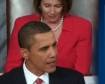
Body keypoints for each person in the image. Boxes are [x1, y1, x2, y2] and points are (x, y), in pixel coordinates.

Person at [5, 0, 92, 75]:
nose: (52, 12)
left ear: (64, 5)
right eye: (47, 6)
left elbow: (81, 72)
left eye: (57, 6)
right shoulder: (22, 23)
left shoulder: (82, 26)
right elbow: (12, 67)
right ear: (39, 4)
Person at [0, 21, 85, 84]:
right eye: (44, 49)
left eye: (54, 45)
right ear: (25, 53)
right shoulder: (4, 82)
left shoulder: (74, 80)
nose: (53, 54)